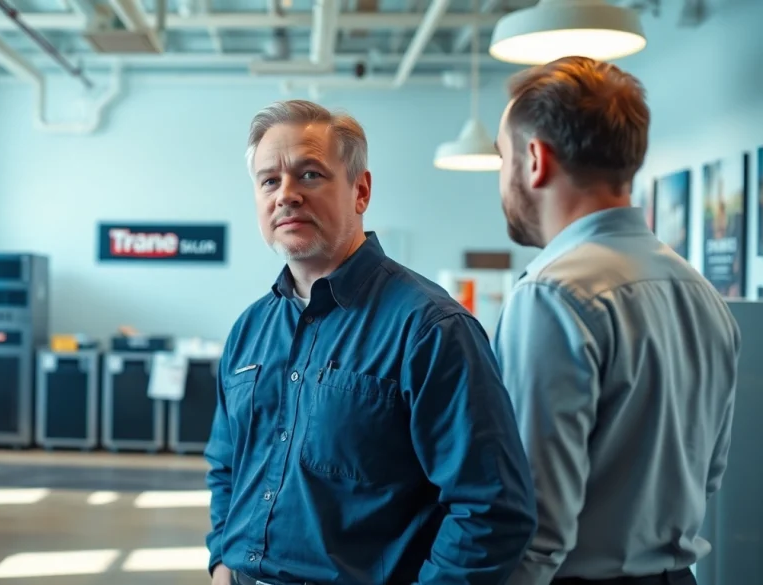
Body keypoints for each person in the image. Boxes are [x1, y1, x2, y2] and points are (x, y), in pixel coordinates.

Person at [204, 99, 537, 585]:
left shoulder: (430, 329)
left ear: (360, 191)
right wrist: (221, 562)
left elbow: (491, 510)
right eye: (269, 181)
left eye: (310, 175)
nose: (286, 195)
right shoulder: (249, 331)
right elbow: (226, 466)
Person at [491, 56, 741, 585]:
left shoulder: (550, 296)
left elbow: (533, 524)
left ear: (534, 159)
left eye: (501, 157)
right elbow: (709, 473)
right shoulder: (702, 293)